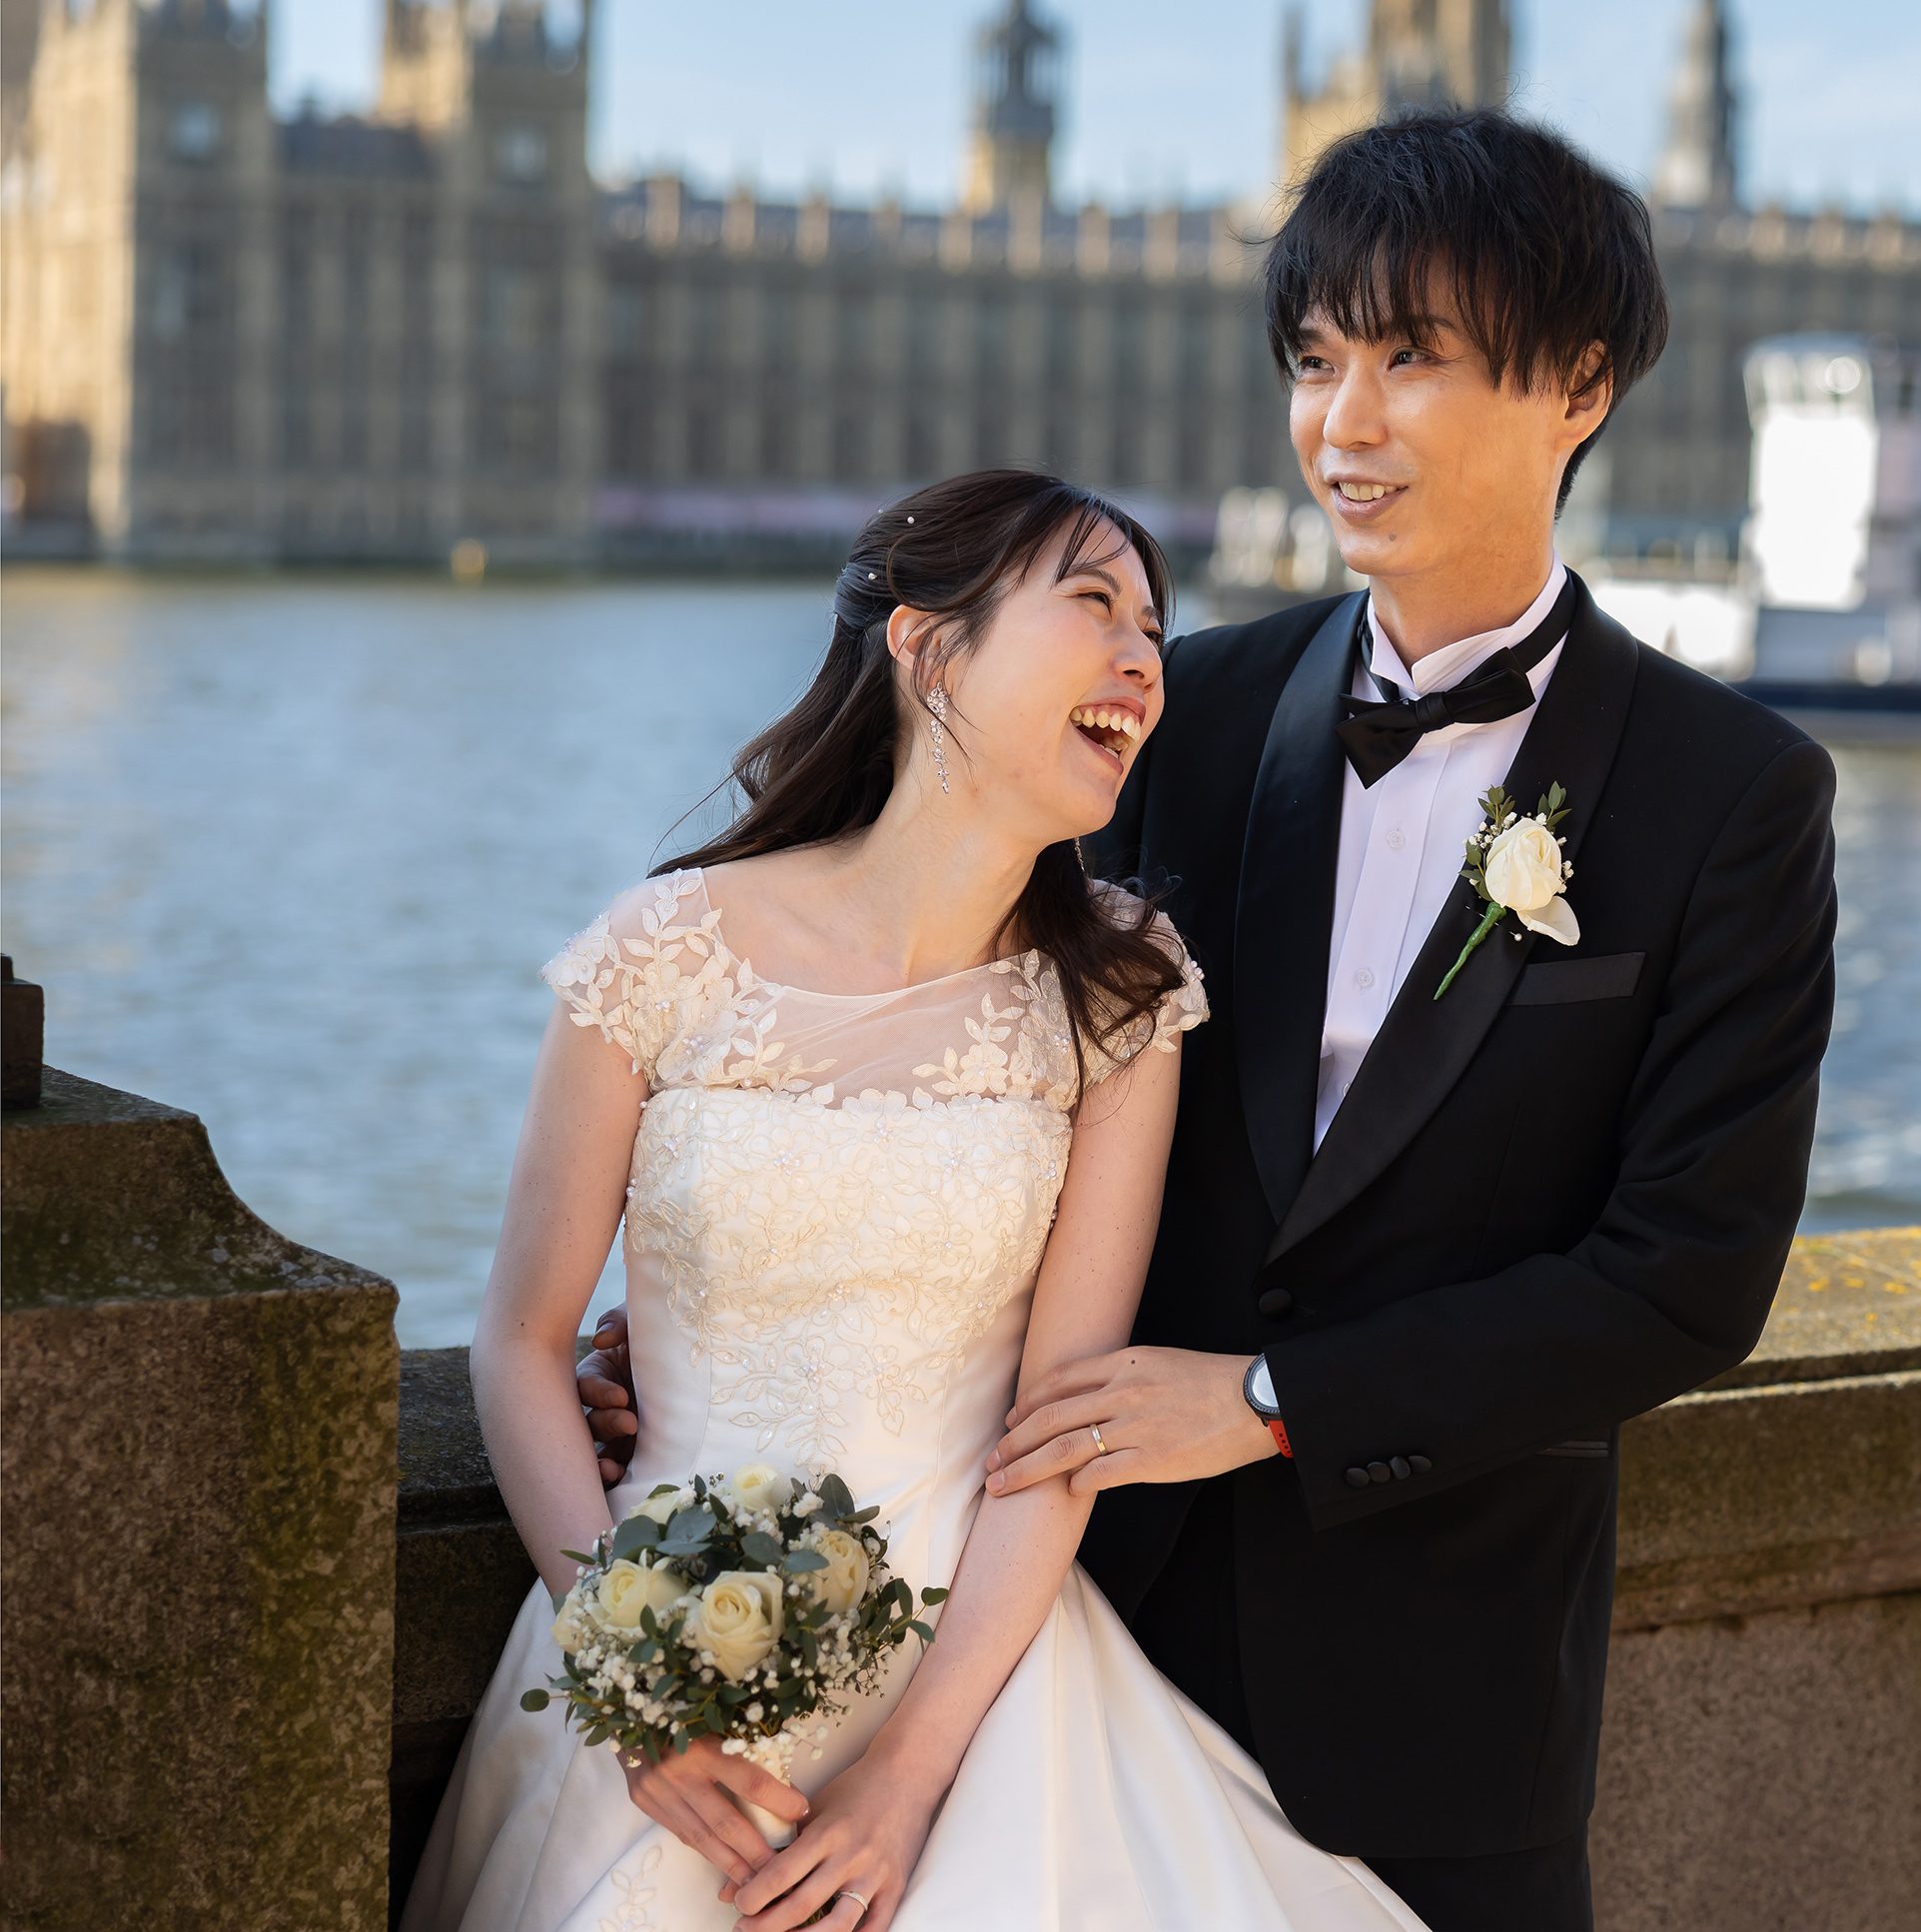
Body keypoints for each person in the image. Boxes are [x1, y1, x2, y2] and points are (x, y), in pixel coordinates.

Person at [580, 107, 1839, 1930]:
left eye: (1412, 358)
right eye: (1318, 359)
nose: (1344, 421)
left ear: (1579, 385)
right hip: (1073, 1639)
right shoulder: (1183, 710)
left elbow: (1687, 1276)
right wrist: (716, 1291)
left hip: (1440, 1698)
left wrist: (1266, 1403)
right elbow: (961, 1035)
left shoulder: (1734, 793)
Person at [404, 468, 1432, 1932]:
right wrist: (629, 1688)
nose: (1146, 656)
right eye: (1094, 604)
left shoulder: (1123, 994)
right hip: (662, 1649)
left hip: (982, 1672)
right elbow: (519, 1339)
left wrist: (910, 1782)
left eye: (1156, 623)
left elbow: (1058, 1426)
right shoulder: (660, 951)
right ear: (926, 644)